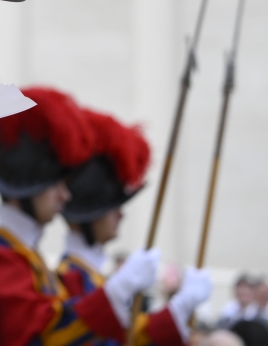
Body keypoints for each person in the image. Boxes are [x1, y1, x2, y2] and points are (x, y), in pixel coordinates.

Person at [0, 87, 161, 346]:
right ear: (30, 186)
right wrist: (116, 293)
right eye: (56, 184)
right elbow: (45, 335)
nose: (66, 196)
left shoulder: (25, 257)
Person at [57, 108, 212, 345]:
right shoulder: (69, 277)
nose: (121, 215)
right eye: (112, 208)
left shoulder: (91, 275)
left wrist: (182, 305)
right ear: (88, 215)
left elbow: (132, 336)